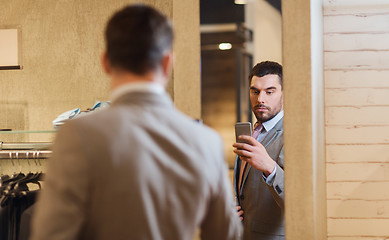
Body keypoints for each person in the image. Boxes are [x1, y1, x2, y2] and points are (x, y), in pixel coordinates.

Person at [30, 4, 242, 240]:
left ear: (106, 62)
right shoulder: (206, 142)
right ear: (167, 63)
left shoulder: (77, 136)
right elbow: (227, 236)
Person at [233, 61, 284, 240]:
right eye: (255, 91)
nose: (260, 99)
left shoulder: (293, 135)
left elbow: (300, 201)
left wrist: (270, 168)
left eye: (269, 92)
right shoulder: (253, 131)